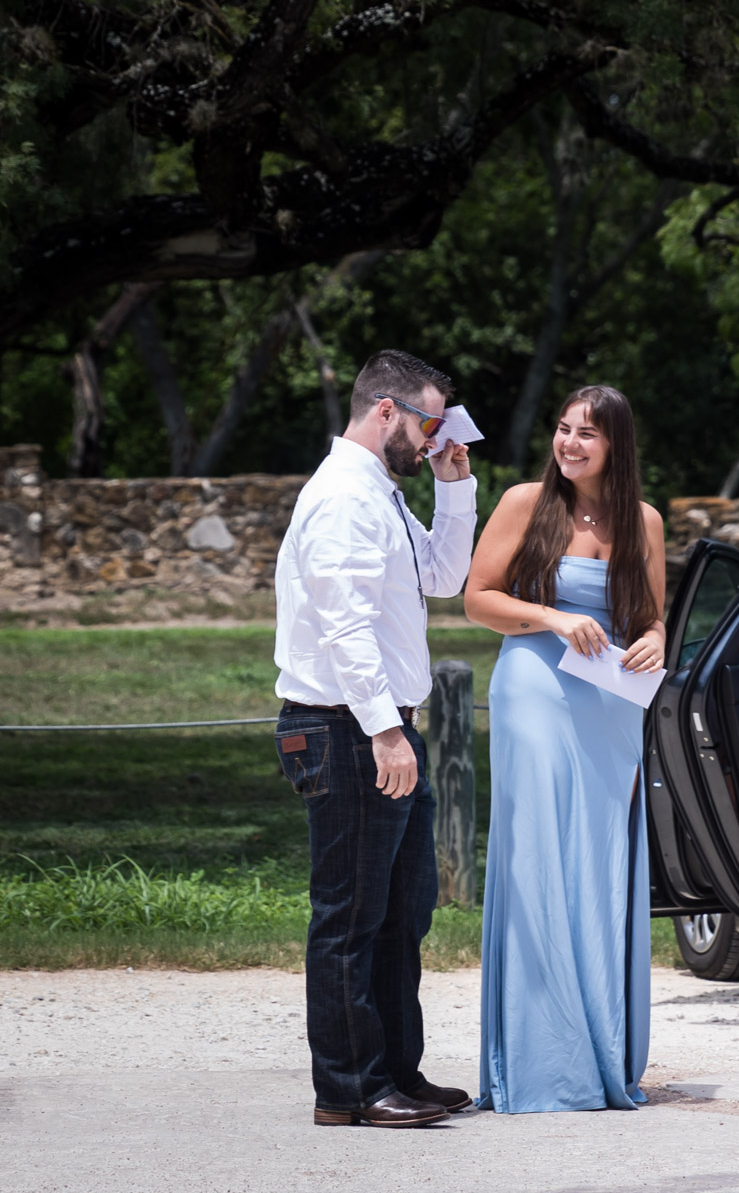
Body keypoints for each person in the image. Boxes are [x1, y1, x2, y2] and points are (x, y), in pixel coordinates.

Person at [273, 350, 477, 1127]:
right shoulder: (343, 498)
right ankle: (350, 1089)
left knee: (402, 912)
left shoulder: (381, 493)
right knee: (351, 916)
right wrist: (386, 732)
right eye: (429, 423)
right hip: (348, 730)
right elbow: (344, 625)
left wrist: (453, 487)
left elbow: (442, 576)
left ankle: (396, 1070)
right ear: (385, 411)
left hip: (381, 730)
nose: (434, 437)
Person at [464, 385, 666, 1112]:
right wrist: (550, 617)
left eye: (587, 433)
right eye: (562, 428)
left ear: (617, 445)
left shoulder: (643, 520)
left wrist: (652, 640)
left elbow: (651, 620)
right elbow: (477, 598)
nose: (569, 442)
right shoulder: (525, 502)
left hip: (609, 707)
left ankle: (600, 1051)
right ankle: (544, 1061)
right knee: (540, 856)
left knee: (599, 862)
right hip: (533, 690)